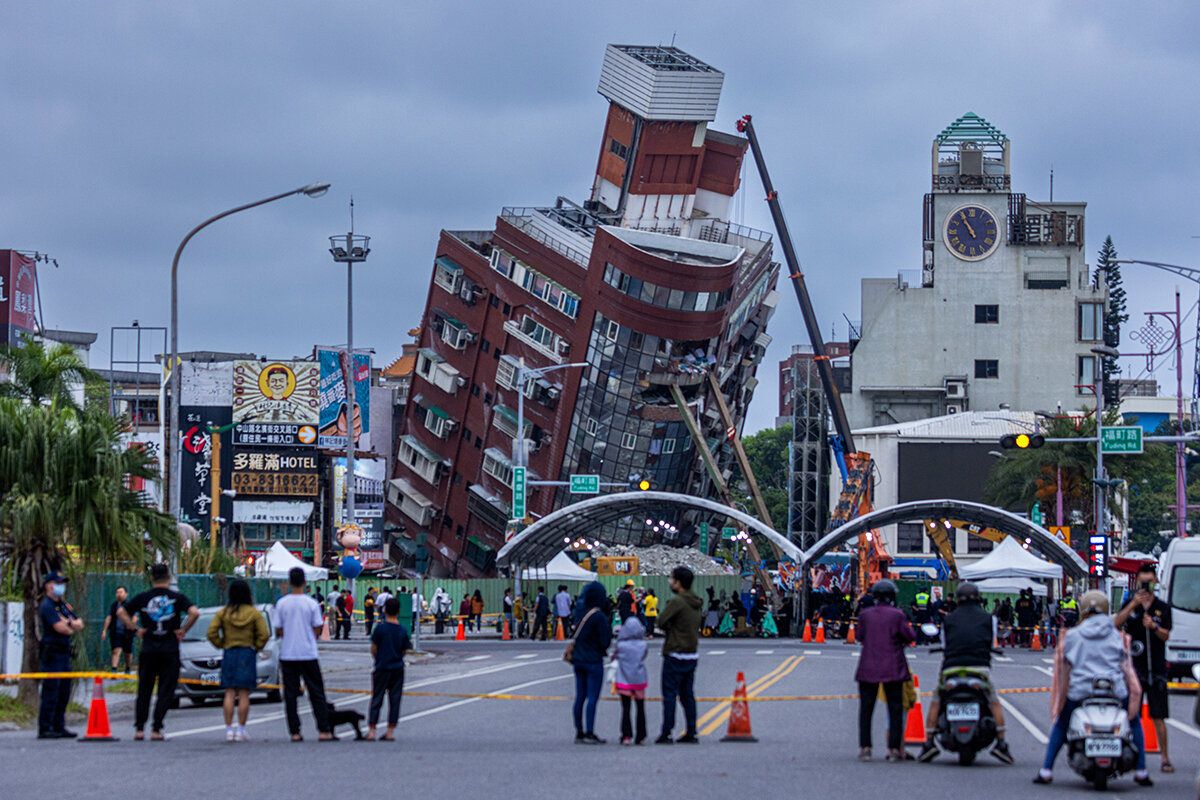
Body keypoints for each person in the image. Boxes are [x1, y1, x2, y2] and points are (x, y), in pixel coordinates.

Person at [1033, 590, 1149, 785]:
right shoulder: (1117, 636)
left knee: (1062, 723)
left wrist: (1060, 698)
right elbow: (1125, 666)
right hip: (1114, 692)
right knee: (1135, 721)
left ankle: (1046, 770)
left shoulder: (1073, 636)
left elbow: (1065, 666)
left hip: (1081, 692)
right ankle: (1142, 771)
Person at [917, 582, 1013, 764]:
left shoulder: (948, 619)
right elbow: (992, 644)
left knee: (937, 699)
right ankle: (1001, 743)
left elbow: (945, 645)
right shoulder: (988, 619)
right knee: (993, 700)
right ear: (978, 598)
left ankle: (929, 743)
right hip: (979, 670)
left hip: (951, 670)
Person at [118, 563, 199, 740]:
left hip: (148, 648)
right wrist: (183, 630)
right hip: (169, 648)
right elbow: (194, 612)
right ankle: (156, 728)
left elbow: (121, 612)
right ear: (169, 577)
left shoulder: (143, 597)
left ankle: (139, 728)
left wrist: (135, 628)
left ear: (152, 578)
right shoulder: (176, 597)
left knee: (144, 688)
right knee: (166, 689)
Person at [1114, 563, 1173, 773]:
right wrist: (1133, 605)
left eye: (1149, 582)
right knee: (1131, 713)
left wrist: (1154, 626)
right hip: (1134, 668)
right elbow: (1116, 624)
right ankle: (1126, 753)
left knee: (1159, 715)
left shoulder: (1163, 607)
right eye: (1142, 582)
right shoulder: (1131, 604)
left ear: (1155, 582)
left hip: (1156, 667)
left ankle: (1165, 757)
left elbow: (1166, 635)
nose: (1146, 586)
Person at [854, 579, 914, 762]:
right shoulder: (897, 615)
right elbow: (909, 635)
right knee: (895, 709)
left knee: (866, 710)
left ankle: (866, 748)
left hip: (868, 667)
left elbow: (859, 636)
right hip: (893, 667)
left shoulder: (865, 614)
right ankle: (894, 749)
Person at [206, 579, 269, 742]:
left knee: (229, 691)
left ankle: (228, 729)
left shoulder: (223, 613)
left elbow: (211, 633)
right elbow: (264, 634)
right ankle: (241, 729)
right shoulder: (254, 613)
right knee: (244, 693)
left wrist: (222, 644)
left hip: (229, 652)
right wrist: (256, 646)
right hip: (247, 652)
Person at [275, 567, 333, 741]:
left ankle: (295, 731)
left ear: (290, 582)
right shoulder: (312, 604)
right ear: (305, 583)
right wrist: (309, 638)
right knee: (316, 692)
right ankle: (323, 729)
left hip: (288, 653)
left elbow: (279, 629)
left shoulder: (282, 603)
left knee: (291, 694)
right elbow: (317, 627)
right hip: (308, 652)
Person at [656, 566, 703, 744]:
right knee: (687, 695)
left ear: (679, 583)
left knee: (669, 694)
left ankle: (667, 731)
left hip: (675, 653)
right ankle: (692, 730)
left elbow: (661, 621)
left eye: (672, 579)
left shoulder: (677, 602)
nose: (670, 582)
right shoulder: (696, 602)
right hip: (691, 654)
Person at [37, 570, 83, 739]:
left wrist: (69, 623)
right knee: (51, 692)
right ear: (48, 586)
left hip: (64, 654)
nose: (61, 586)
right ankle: (45, 727)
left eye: (62, 583)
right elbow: (60, 628)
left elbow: (79, 623)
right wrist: (69, 626)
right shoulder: (47, 606)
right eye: (57, 583)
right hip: (53, 654)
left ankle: (59, 726)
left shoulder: (63, 605)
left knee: (63, 693)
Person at [570, 582, 613, 744]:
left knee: (580, 696)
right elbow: (605, 641)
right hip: (594, 659)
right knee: (592, 697)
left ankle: (579, 731)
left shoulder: (579, 613)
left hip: (578, 659)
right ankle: (590, 731)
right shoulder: (598, 616)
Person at [368, 597, 411, 741]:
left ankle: (372, 730)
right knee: (395, 699)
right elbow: (404, 650)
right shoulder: (402, 631)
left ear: (384, 610)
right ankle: (390, 731)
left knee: (377, 698)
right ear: (399, 611)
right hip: (397, 667)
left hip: (382, 666)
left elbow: (373, 648)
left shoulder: (379, 629)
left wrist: (378, 658)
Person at [612, 614, 649, 745]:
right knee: (640, 707)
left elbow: (614, 657)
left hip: (624, 678)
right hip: (639, 678)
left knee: (626, 708)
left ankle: (626, 735)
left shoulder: (621, 645)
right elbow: (644, 656)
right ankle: (641, 736)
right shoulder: (643, 645)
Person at [102, 586, 134, 673]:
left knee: (127, 652)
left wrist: (132, 625)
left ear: (126, 594)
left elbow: (135, 617)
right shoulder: (113, 606)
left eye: (121, 592)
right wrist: (104, 630)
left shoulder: (130, 605)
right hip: (116, 632)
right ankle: (114, 669)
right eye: (117, 592)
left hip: (127, 632)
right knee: (116, 650)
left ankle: (127, 668)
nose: (119, 594)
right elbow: (108, 618)